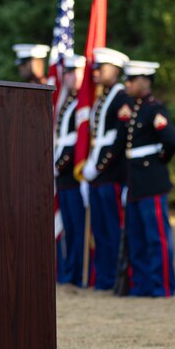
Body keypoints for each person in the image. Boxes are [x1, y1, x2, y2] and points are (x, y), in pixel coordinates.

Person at [121, 60, 175, 297]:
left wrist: (158, 162)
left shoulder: (155, 109)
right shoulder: (134, 109)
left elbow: (171, 141)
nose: (127, 84)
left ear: (145, 82)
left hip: (151, 179)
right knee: (137, 237)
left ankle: (161, 285)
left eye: (131, 80)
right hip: (135, 180)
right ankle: (141, 284)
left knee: (157, 237)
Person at [82, 47, 131, 291]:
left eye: (101, 68)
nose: (96, 72)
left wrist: (99, 167)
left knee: (112, 230)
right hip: (97, 176)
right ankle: (101, 278)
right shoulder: (103, 98)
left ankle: (112, 278)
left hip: (110, 174)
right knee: (99, 231)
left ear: (115, 69)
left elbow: (119, 141)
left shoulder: (122, 98)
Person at [54, 53, 88, 286]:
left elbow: (77, 141)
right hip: (63, 177)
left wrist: (58, 166)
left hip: (73, 174)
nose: (71, 77)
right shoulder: (67, 102)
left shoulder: (81, 105)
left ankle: (77, 274)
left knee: (78, 228)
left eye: (76, 72)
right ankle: (69, 271)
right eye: (67, 73)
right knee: (68, 227)